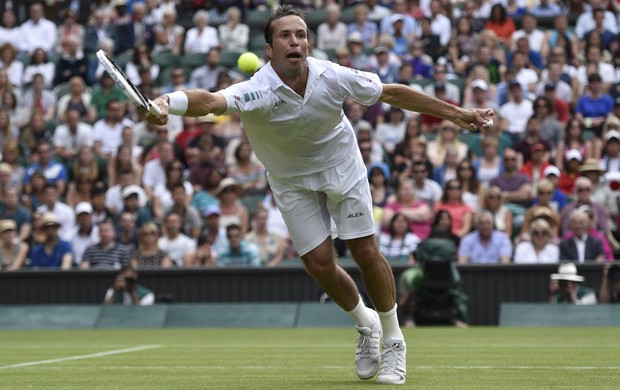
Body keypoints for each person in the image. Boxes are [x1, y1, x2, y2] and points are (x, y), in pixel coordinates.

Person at [147, 6, 493, 384]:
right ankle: (367, 325)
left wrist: (455, 113)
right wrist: (169, 102)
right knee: (319, 265)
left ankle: (394, 340)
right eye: (285, 35)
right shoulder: (255, 88)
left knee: (364, 250)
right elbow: (211, 102)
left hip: (341, 166)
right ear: (269, 49)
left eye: (300, 34)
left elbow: (391, 93)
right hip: (290, 180)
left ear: (308, 42)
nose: (295, 40)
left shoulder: (332, 75)